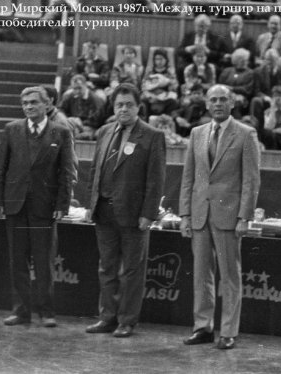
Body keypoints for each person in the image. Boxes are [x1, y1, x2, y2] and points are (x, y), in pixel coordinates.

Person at [179, 84, 260, 350]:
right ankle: (203, 327)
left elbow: (251, 180)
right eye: (213, 99)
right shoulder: (197, 133)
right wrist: (185, 214)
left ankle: (228, 331)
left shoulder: (246, 134)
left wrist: (244, 216)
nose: (218, 103)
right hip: (200, 214)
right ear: (206, 103)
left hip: (228, 215)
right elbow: (188, 177)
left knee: (229, 275)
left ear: (233, 103)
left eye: (223, 99)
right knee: (201, 274)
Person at [0, 86, 78, 327]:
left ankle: (46, 312)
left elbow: (67, 172)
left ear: (46, 105)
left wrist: (63, 203)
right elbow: (0, 168)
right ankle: (20, 311)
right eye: (25, 103)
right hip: (15, 205)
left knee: (44, 262)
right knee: (17, 260)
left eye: (34, 102)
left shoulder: (60, 132)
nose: (29, 106)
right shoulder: (12, 130)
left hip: (45, 207)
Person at [85, 83, 166, 338]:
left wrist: (148, 213)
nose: (123, 109)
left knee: (132, 270)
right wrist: (91, 204)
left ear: (138, 107)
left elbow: (156, 179)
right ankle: (107, 317)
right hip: (104, 211)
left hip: (134, 215)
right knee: (107, 268)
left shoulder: (152, 136)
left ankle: (127, 320)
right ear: (113, 107)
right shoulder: (104, 132)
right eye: (119, 104)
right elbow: (95, 171)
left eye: (129, 104)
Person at [176, 14, 225, 78]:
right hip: (190, 62)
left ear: (208, 27)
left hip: (208, 62)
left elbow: (220, 55)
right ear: (194, 25)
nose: (200, 28)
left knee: (216, 69)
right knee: (180, 68)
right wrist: (187, 49)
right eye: (198, 26)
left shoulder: (215, 38)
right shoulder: (189, 36)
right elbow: (179, 50)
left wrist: (209, 52)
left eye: (203, 26)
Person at [59, 74, 104, 139]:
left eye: (79, 88)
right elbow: (60, 109)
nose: (77, 91)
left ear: (85, 85)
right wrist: (66, 119)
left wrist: (80, 123)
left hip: (90, 128)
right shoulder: (70, 96)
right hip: (74, 125)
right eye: (74, 88)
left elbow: (97, 121)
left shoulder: (95, 99)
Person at [141, 48, 179, 117]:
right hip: (151, 96)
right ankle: (146, 121)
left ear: (166, 60)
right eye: (157, 59)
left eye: (161, 59)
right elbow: (144, 86)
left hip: (165, 98)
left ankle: (165, 120)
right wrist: (150, 96)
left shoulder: (170, 72)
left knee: (174, 102)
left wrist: (168, 82)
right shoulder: (150, 71)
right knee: (142, 100)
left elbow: (174, 87)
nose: (159, 61)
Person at [218, 48, 254, 119]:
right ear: (235, 60)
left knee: (234, 102)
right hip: (225, 95)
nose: (244, 62)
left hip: (241, 98)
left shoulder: (250, 73)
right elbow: (220, 85)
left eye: (246, 60)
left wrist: (232, 89)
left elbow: (247, 89)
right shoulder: (227, 71)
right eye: (241, 59)